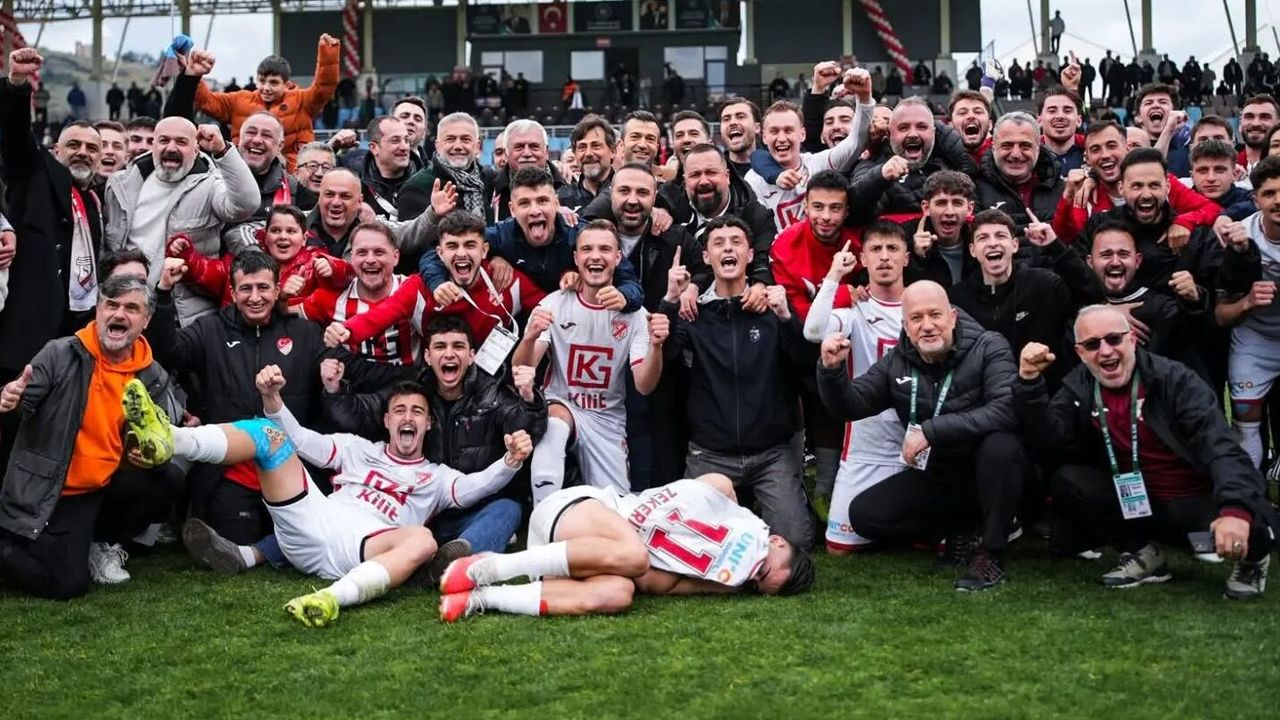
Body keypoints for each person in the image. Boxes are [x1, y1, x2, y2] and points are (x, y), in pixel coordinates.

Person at [153, 367, 532, 626]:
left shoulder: (436, 476)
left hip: (364, 547)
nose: (408, 417)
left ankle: (332, 598)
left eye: (417, 411)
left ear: (428, 423)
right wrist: (272, 399)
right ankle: (172, 438)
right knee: (269, 435)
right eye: (399, 410)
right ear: (386, 421)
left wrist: (510, 461)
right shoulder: (355, 448)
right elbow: (301, 440)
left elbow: (478, 486)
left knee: (423, 539)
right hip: (313, 522)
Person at [151, 251, 405, 551]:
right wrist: (164, 294)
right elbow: (167, 352)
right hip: (233, 471)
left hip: (292, 467)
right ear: (233, 292)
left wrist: (417, 374)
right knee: (238, 537)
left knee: (311, 539)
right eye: (246, 289)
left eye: (263, 288)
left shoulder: (305, 333)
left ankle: (263, 550)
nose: (255, 297)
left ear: (277, 289)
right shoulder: (210, 330)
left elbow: (359, 371)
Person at [1015, 306, 1275, 598]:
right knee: (1068, 481)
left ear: (1132, 339)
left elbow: (1222, 448)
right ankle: (1144, 553)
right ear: (1080, 352)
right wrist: (1029, 383)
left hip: (1197, 502)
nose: (1105, 351)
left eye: (1114, 339)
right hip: (1140, 502)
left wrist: (1235, 510)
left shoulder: (1175, 380)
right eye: (1092, 344)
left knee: (1249, 524)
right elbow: (1049, 440)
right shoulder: (1079, 385)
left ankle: (1253, 561)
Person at [817, 280, 1022, 591]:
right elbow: (851, 406)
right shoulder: (898, 360)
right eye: (916, 318)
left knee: (1001, 446)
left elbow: (1006, 410)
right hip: (940, 475)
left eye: (935, 315)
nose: (927, 326)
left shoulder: (989, 346)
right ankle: (961, 528)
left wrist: (931, 430)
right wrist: (831, 370)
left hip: (989, 470)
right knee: (864, 515)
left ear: (952, 316)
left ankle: (991, 552)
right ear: (905, 326)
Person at [0, 275, 181, 599]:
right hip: (52, 490)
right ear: (98, 310)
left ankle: (100, 543)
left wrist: (147, 456)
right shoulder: (59, 354)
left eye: (131, 308)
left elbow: (157, 435)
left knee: (166, 479)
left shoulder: (153, 374)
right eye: (111, 305)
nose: (118, 314)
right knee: (69, 584)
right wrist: (8, 399)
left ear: (146, 319)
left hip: (102, 487)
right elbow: (20, 406)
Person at [437, 474, 815, 622]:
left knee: (618, 594)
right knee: (635, 555)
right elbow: (714, 488)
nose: (751, 574)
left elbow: (651, 582)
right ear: (775, 540)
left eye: (755, 584)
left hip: (567, 556)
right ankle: (491, 566)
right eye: (763, 567)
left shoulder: (720, 578)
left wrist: (719, 582)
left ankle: (481, 598)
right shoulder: (722, 495)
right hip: (577, 510)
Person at [659, 216, 814, 549]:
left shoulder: (772, 307)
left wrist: (787, 318)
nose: (727, 249)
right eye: (718, 243)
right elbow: (666, 361)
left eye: (736, 242)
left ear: (749, 255)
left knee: (795, 541)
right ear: (706, 257)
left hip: (770, 453)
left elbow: (806, 364)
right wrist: (670, 300)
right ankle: (738, 509)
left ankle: (763, 503)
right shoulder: (692, 312)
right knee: (684, 541)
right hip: (710, 453)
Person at [0, 49, 107, 470]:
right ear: (55, 150)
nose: (83, 153)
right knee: (11, 434)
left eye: (92, 148)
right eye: (73, 145)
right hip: (25, 337)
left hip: (72, 336)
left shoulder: (94, 200)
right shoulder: (35, 176)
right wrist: (16, 84)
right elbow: (14, 139)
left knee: (56, 437)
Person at [511, 220, 667, 500]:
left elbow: (644, 386)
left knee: (615, 504)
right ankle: (542, 515)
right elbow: (523, 368)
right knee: (555, 424)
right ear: (576, 258)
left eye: (604, 249)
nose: (595, 256)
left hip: (606, 417)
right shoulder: (554, 304)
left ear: (618, 257)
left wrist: (656, 347)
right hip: (562, 404)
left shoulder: (636, 316)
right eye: (587, 249)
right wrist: (530, 337)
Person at [803, 221, 910, 553]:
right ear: (862, 259)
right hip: (865, 446)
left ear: (906, 257)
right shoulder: (854, 309)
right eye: (875, 249)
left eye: (892, 249)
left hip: (915, 443)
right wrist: (834, 276)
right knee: (838, 547)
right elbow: (813, 331)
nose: (884, 257)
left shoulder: (921, 306)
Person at [103, 116, 260, 326]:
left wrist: (222, 151)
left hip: (184, 316)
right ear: (154, 145)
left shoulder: (210, 185)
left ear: (196, 150)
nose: (171, 147)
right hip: (127, 308)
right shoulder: (121, 184)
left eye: (181, 142)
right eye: (164, 140)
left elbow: (246, 203)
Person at [745, 70, 873, 232]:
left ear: (802, 134)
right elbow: (758, 230)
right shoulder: (754, 180)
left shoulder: (818, 163)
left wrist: (864, 97)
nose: (781, 138)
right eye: (774, 131)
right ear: (764, 137)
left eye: (788, 130)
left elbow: (856, 142)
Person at [191, 35, 340, 169]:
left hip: (292, 179)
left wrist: (328, 55)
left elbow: (324, 87)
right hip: (245, 175)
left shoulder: (303, 101)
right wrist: (195, 74)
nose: (266, 88)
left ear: (286, 84)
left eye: (273, 83)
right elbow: (205, 101)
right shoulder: (239, 100)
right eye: (262, 81)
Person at [1217, 156, 1280, 470]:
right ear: (1255, 199)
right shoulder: (1241, 237)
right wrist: (1247, 303)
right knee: (1245, 420)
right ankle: (1249, 491)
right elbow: (1221, 314)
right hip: (1255, 339)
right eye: (1269, 193)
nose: (1278, 200)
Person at [396, 112, 495, 230]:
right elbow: (409, 239)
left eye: (465, 139)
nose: (458, 146)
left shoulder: (490, 180)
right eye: (450, 139)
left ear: (477, 146)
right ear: (438, 146)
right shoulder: (415, 187)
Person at [973, 112, 1064, 234]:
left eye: (1025, 146)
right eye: (1007, 145)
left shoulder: (1063, 191)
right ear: (993, 148)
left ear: (1038, 149)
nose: (1016, 154)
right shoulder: (976, 191)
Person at [557, 115, 617, 212]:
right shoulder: (561, 199)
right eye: (582, 147)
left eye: (596, 146)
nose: (588, 153)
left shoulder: (629, 194)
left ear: (613, 151)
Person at [718, 96, 761, 178]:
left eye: (740, 117)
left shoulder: (778, 166)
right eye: (726, 119)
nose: (732, 123)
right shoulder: (714, 171)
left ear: (757, 128)